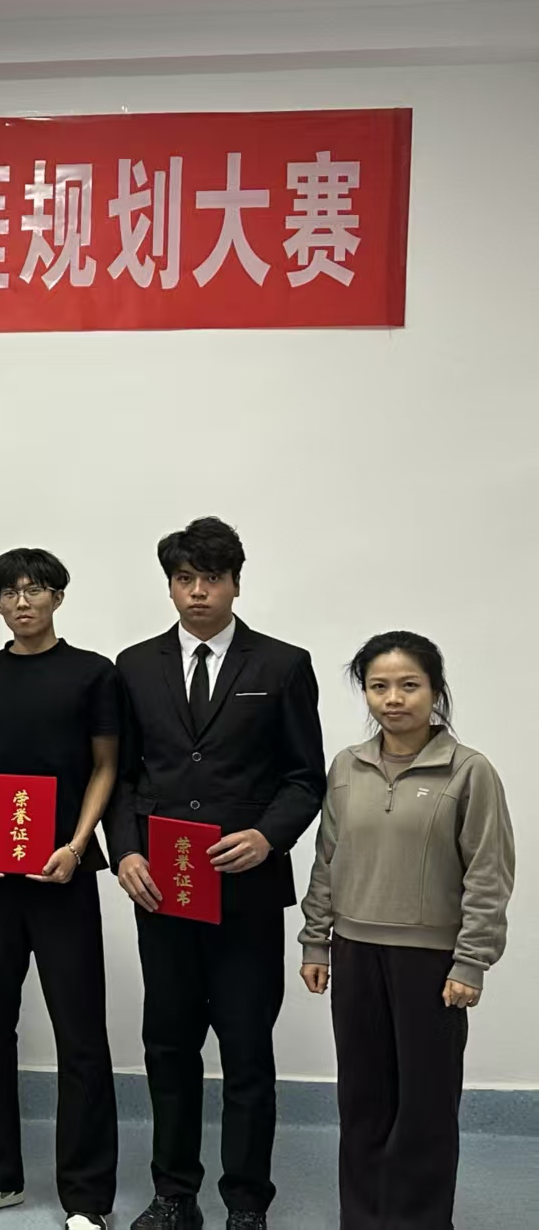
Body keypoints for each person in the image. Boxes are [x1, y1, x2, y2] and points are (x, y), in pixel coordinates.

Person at [105, 517, 325, 1230]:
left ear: (235, 583)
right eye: (184, 579)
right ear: (169, 586)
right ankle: (174, 1194)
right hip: (162, 887)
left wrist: (268, 837)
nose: (198, 591)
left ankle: (246, 1202)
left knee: (246, 1050)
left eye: (212, 578)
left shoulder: (282, 664)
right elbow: (123, 776)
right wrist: (126, 850)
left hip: (247, 892)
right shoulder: (134, 665)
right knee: (168, 1047)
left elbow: (305, 778)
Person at [299, 632, 515, 1230]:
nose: (393, 699)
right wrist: (317, 940)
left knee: (425, 1106)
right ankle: (363, 1218)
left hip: (431, 962)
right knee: (362, 1100)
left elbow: (489, 872)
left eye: (409, 685)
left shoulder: (469, 771)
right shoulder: (347, 767)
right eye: (379, 686)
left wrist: (471, 960)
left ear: (435, 691)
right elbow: (328, 858)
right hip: (355, 953)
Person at [0, 550, 119, 1229]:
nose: (22, 602)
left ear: (57, 597)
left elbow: (106, 766)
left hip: (61, 873)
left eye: (35, 589)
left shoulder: (93, 673)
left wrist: (77, 845)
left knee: (79, 1032)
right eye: (9, 592)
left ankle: (87, 1196)